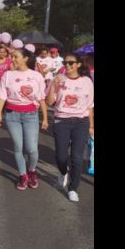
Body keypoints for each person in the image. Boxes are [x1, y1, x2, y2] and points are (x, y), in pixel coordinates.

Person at [0, 48, 49, 190]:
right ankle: (23, 175)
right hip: (12, 115)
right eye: (12, 56)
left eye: (16, 56)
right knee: (18, 147)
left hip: (31, 115)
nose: (12, 59)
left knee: (31, 148)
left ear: (25, 58)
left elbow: (42, 98)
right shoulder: (8, 75)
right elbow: (2, 95)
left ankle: (32, 170)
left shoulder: (36, 76)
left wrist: (45, 118)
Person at [46, 54, 94, 202]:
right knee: (61, 157)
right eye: (65, 62)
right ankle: (62, 173)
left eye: (71, 63)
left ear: (78, 64)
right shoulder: (59, 79)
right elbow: (49, 102)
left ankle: (73, 188)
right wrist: (54, 85)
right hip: (62, 121)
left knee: (77, 158)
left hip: (81, 122)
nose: (67, 65)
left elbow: (90, 105)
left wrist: (91, 125)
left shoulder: (87, 81)